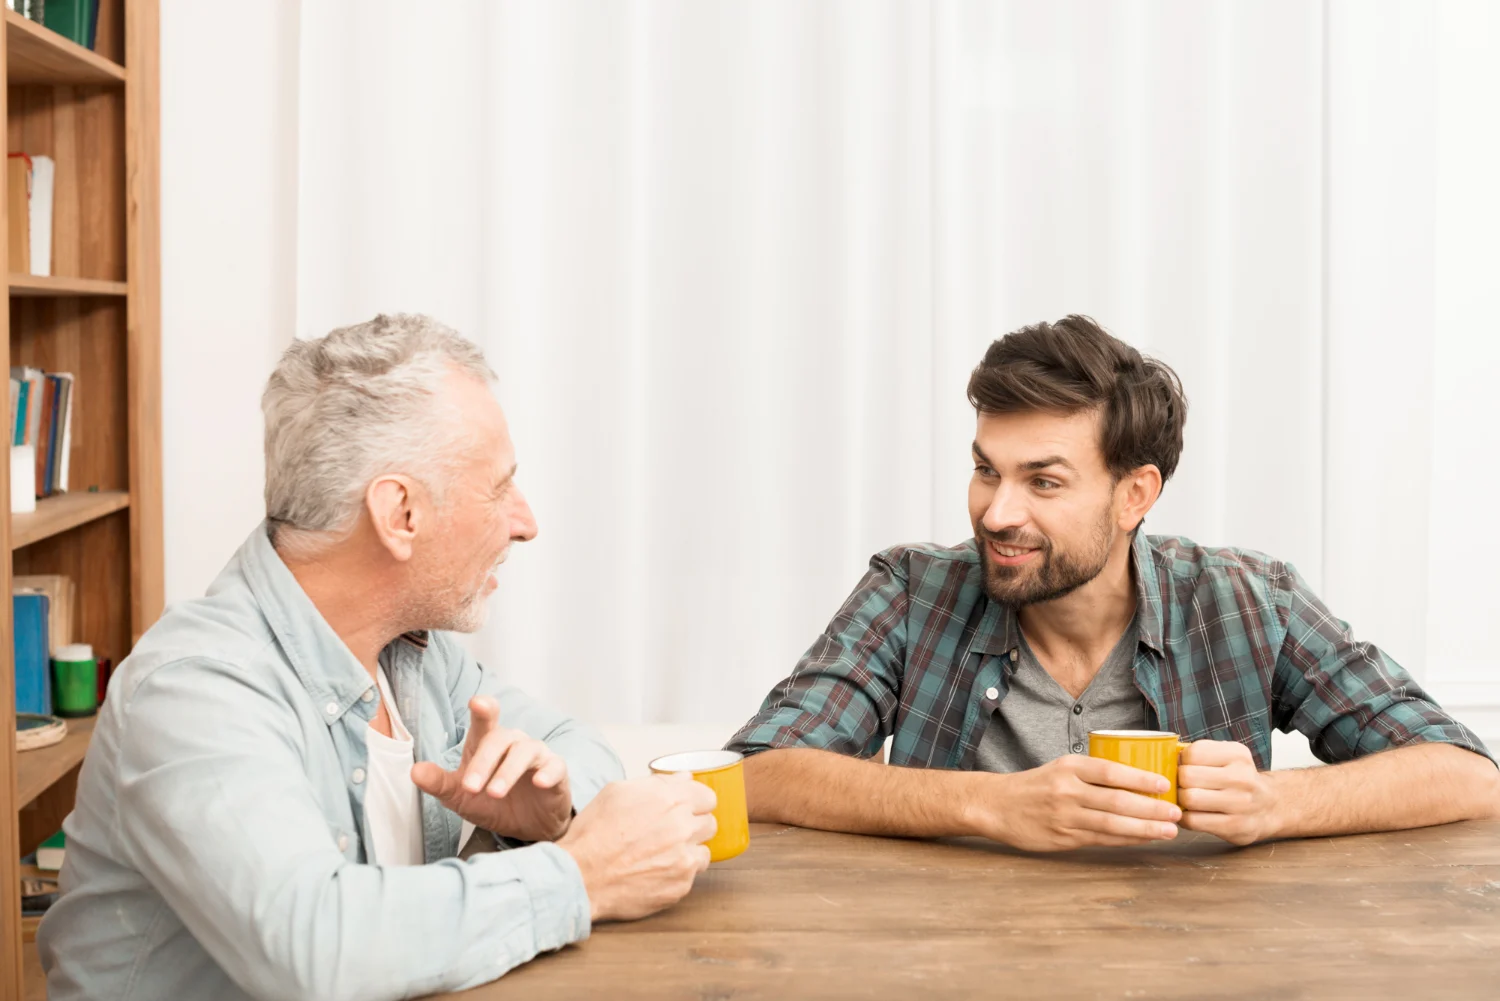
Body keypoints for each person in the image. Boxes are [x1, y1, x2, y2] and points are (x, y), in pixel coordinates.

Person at [39, 315, 717, 1000]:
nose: (525, 520)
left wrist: (552, 805)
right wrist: (583, 876)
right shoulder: (194, 691)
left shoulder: (411, 656)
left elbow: (577, 744)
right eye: (497, 487)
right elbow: (315, 947)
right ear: (400, 514)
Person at [729, 315, 1498, 851]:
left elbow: (1465, 775)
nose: (997, 511)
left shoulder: (1249, 599)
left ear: (1135, 495)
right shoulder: (912, 590)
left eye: (1044, 481)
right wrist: (989, 804)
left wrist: (1276, 803)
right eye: (986, 469)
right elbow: (755, 774)